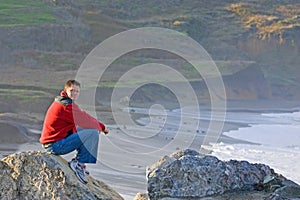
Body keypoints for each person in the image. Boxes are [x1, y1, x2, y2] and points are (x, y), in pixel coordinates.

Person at [40, 80, 109, 184]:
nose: (74, 93)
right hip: (54, 145)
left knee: (88, 130)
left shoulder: (62, 101)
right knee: (93, 133)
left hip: (54, 141)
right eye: (72, 90)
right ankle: (79, 164)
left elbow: (82, 118)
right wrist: (102, 127)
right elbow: (84, 119)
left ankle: (78, 161)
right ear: (65, 90)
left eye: (77, 91)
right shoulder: (66, 106)